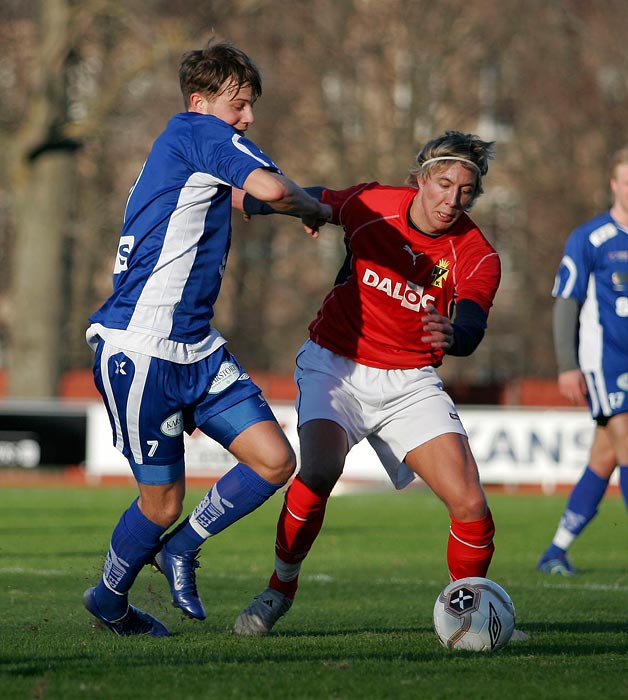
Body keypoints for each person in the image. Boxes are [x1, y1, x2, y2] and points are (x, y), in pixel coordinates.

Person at [82, 39, 331, 636]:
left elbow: (248, 197)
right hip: (141, 350)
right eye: (239, 105)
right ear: (201, 101)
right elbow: (268, 187)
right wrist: (316, 210)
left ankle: (181, 548)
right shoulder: (195, 129)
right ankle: (109, 602)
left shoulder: (189, 143)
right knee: (160, 503)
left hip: (196, 347)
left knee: (274, 461)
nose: (247, 118)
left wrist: (298, 203)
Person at [231, 130, 502, 636]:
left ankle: (470, 615)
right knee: (320, 469)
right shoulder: (373, 203)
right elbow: (312, 202)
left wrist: (455, 332)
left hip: (410, 381)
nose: (452, 199)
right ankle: (278, 590)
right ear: (420, 178)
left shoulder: (477, 254)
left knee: (470, 504)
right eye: (443, 183)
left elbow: (471, 325)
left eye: (465, 191)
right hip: (336, 364)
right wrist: (249, 200)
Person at [537, 146, 628, 576]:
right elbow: (565, 303)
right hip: (604, 361)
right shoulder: (590, 238)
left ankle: (555, 551)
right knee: (626, 439)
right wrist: (566, 363)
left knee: (605, 456)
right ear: (614, 185)